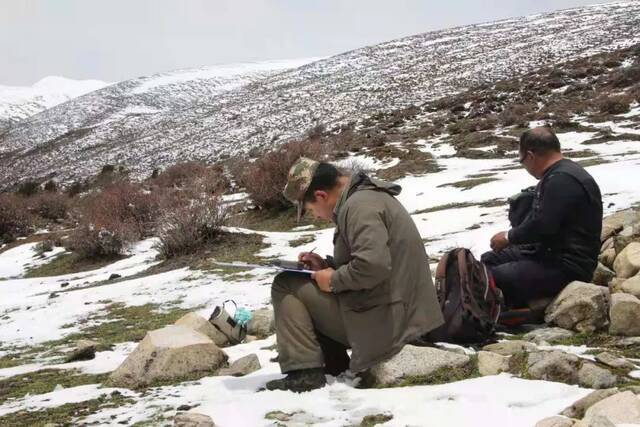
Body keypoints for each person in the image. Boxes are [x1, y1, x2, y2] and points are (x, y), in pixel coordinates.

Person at [265, 158, 444, 392]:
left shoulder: (359, 207)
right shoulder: (365, 197)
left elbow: (373, 266)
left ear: (320, 195)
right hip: (400, 313)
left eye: (310, 210)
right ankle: (333, 362)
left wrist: (333, 280)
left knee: (286, 284)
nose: (316, 216)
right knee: (304, 278)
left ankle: (305, 373)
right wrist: (325, 265)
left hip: (392, 323)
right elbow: (373, 260)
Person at [482, 127, 603, 309]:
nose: (525, 166)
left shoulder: (561, 180)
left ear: (530, 156)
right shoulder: (563, 173)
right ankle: (519, 303)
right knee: (487, 261)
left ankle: (519, 311)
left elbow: (543, 226)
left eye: (522, 161)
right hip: (548, 254)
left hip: (569, 265)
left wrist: (509, 237)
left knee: (494, 276)